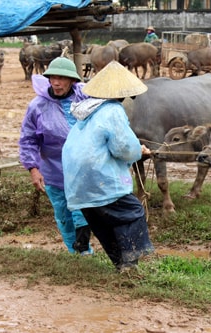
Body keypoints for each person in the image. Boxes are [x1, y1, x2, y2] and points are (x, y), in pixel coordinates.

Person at [62, 60, 155, 272]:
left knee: (101, 221)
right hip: (99, 178)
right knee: (131, 212)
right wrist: (138, 151)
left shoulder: (86, 110)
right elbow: (123, 147)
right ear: (125, 95)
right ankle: (130, 263)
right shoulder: (113, 110)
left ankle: (119, 264)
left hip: (77, 184)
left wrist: (133, 149)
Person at [19, 57, 94, 255]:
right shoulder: (37, 106)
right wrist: (33, 170)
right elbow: (28, 140)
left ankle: (83, 250)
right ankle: (74, 252)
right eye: (53, 78)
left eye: (62, 78)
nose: (57, 83)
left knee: (82, 211)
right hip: (54, 170)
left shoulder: (86, 99)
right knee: (63, 214)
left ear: (72, 81)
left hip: (82, 169)